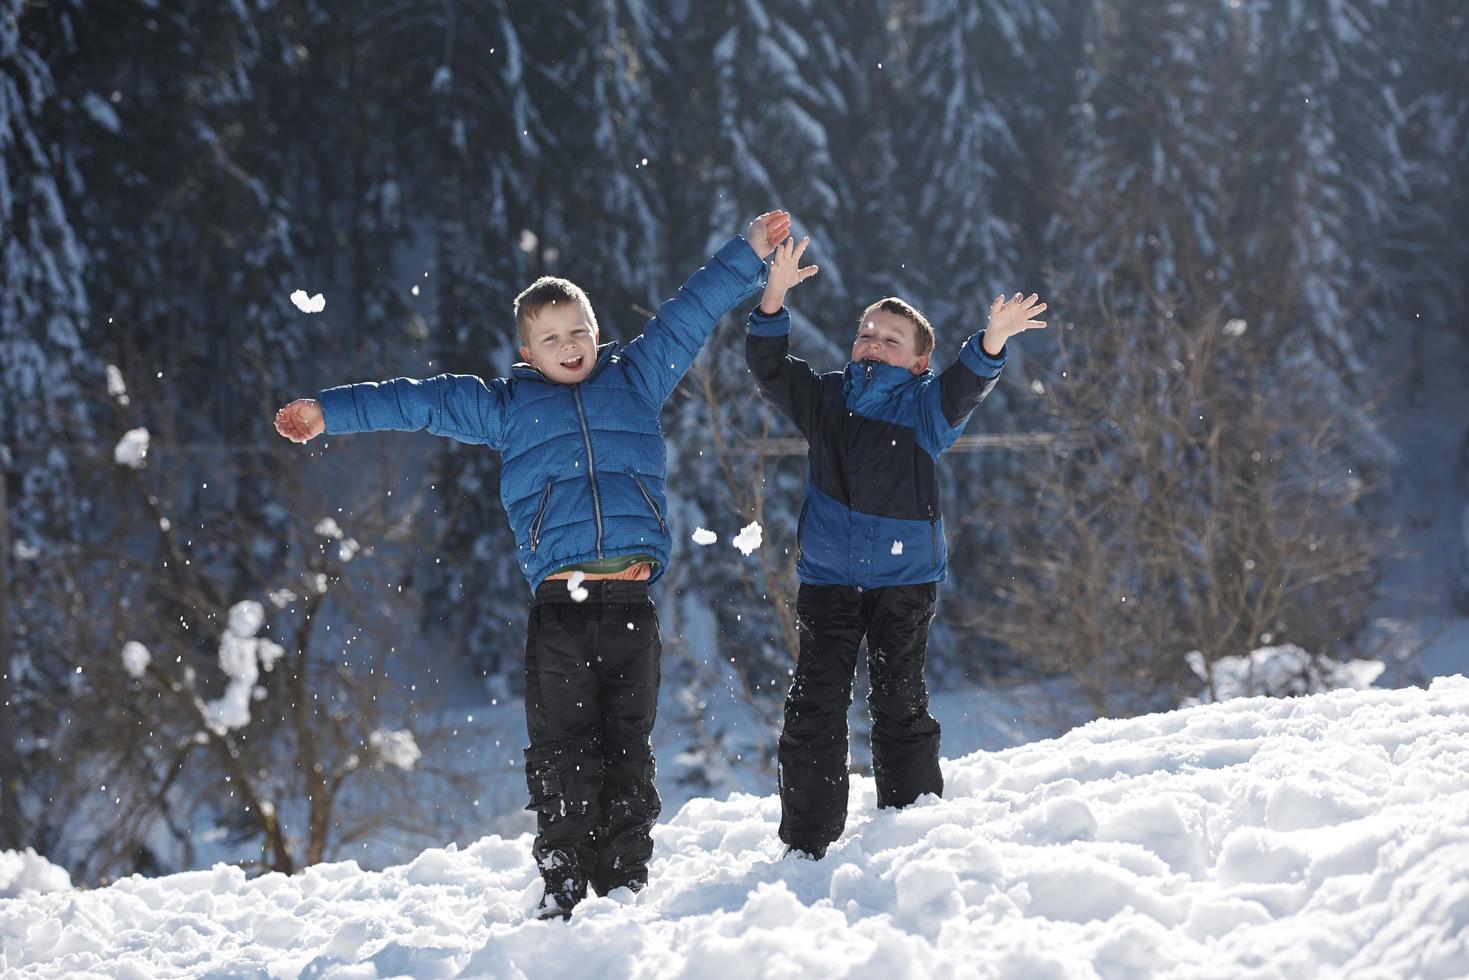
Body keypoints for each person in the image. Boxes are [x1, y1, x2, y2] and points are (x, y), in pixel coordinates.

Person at [273, 210, 790, 916]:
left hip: (631, 607)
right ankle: (565, 884)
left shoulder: (635, 378)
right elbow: (417, 402)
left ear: (595, 330)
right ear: (527, 350)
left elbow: (690, 312)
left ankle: (625, 882)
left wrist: (750, 251)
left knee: (628, 753)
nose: (569, 346)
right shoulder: (505, 407)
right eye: (551, 339)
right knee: (564, 754)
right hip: (560, 613)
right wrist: (328, 413)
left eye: (578, 331)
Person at [744, 235, 1047, 859]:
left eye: (889, 339)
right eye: (866, 333)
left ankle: (909, 826)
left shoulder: (924, 408)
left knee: (900, 701)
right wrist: (774, 297)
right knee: (814, 706)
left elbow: (965, 386)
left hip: (904, 582)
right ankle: (807, 840)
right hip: (829, 580)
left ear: (916, 363)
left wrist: (992, 340)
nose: (872, 344)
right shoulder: (826, 399)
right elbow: (770, 369)